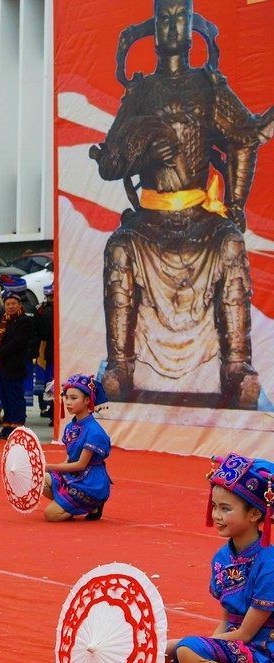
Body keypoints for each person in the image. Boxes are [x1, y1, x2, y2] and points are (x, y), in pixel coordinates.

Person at [90, 0, 268, 408]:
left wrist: (236, 203)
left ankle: (237, 367)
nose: (172, 26)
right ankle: (120, 364)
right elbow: (111, 162)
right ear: (153, 28)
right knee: (118, 247)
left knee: (231, 245)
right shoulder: (141, 92)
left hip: (199, 216)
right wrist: (141, 145)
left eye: (179, 18)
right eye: (164, 19)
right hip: (150, 218)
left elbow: (243, 139)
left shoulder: (209, 86)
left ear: (192, 27)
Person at [147, 452, 274, 663]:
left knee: (190, 648)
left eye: (226, 508)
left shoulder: (268, 561)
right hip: (237, 652)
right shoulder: (222, 558)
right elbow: (226, 621)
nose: (216, 515)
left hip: (264, 653)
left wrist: (182, 647)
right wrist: (206, 655)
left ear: (255, 514)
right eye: (215, 506)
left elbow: (246, 635)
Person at [42, 374, 112, 522]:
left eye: (74, 398)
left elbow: (81, 464)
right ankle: (70, 504)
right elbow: (70, 456)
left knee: (51, 515)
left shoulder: (94, 431)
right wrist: (57, 466)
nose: (68, 402)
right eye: (66, 397)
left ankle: (93, 504)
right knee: (39, 482)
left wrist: (49, 467)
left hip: (90, 481)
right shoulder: (71, 426)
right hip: (75, 475)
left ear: (87, 401)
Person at [0, 278, 35, 440]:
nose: (10, 306)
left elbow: (17, 343)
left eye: (13, 303)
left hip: (14, 365)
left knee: (15, 397)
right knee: (4, 397)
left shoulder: (24, 322)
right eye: (8, 304)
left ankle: (17, 427)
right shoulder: (4, 320)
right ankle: (6, 427)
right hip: (2, 366)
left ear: (19, 305)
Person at [31, 282, 55, 420]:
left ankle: (52, 411)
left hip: (49, 352)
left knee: (50, 381)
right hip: (53, 351)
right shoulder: (55, 310)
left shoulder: (45, 311)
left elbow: (43, 334)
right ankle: (52, 410)